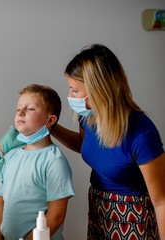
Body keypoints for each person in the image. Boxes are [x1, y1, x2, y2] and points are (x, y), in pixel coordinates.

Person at [51, 44, 165, 239]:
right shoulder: (87, 117)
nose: (70, 97)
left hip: (133, 217)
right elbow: (85, 145)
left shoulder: (142, 134)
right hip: (99, 208)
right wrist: (51, 129)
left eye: (75, 90)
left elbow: (161, 201)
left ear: (99, 90)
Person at [0, 84, 75, 240]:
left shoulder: (54, 161)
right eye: (18, 109)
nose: (21, 113)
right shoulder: (10, 157)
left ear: (50, 120)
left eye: (30, 108)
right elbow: (0, 201)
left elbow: (56, 215)